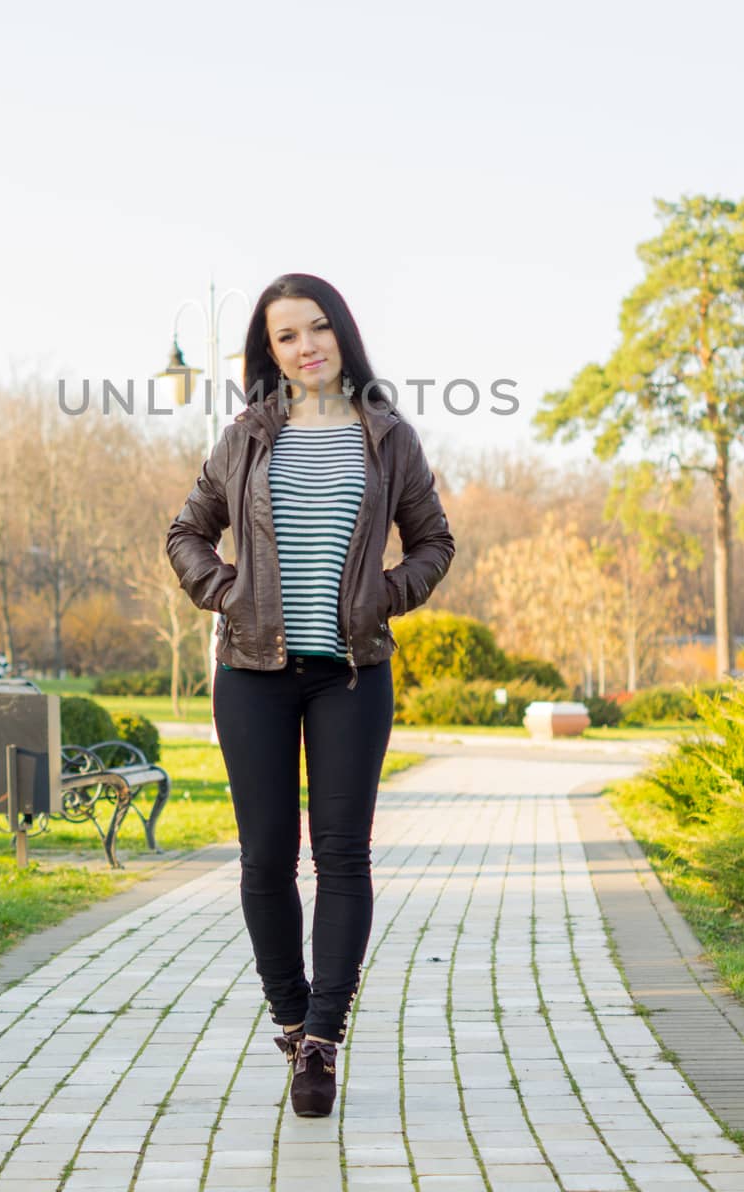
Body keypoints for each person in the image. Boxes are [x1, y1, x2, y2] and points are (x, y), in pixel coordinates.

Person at [165, 272, 455, 1118]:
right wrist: (225, 591)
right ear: (270, 352)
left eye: (318, 328)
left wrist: (384, 597)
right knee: (263, 859)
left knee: (342, 856)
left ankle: (323, 1038)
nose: (306, 346)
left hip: (351, 673)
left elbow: (433, 540)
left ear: (342, 336)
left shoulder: (387, 437)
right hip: (250, 672)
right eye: (287, 335)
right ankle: (289, 1019)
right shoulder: (246, 437)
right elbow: (187, 530)